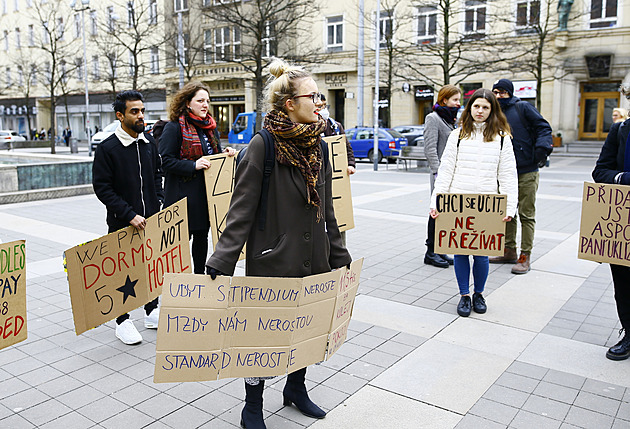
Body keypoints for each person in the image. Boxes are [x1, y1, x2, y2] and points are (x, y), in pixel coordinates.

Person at [206, 58, 351, 429]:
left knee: (306, 330)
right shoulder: (263, 145)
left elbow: (327, 207)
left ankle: (296, 389)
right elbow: (240, 210)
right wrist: (222, 259)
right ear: (290, 103)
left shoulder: (317, 145)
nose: (320, 103)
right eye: (314, 96)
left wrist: (338, 252)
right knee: (262, 336)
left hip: (313, 257)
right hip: (273, 259)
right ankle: (252, 405)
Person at [429, 88, 517, 317]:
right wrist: (437, 200)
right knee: (460, 252)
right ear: (470, 108)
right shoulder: (456, 136)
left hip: (487, 202)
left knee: (481, 254)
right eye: (476, 106)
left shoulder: (502, 139)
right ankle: (464, 295)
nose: (480, 111)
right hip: (459, 200)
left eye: (486, 107)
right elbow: (446, 170)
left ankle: (479, 293)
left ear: (492, 110)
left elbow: (508, 175)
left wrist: (509, 207)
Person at [92, 90, 163, 345]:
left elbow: (157, 174)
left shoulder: (149, 143)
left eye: (142, 110)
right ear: (120, 115)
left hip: (150, 220)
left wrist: (160, 200)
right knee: (123, 273)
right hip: (123, 223)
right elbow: (103, 188)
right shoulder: (108, 149)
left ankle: (151, 309)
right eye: (135, 111)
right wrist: (128, 214)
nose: (141, 115)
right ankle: (122, 321)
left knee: (149, 265)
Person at [159, 81, 236, 274]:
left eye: (207, 101)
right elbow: (165, 161)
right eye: (200, 100)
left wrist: (225, 154)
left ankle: (199, 280)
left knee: (201, 241)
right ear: (187, 103)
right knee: (180, 246)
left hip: (203, 198)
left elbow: (214, 156)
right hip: (181, 199)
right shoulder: (174, 128)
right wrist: (193, 165)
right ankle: (180, 285)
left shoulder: (210, 128)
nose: (205, 105)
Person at [489, 78, 552, 274]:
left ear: (510, 92)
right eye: (496, 92)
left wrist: (541, 150)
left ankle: (525, 256)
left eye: (502, 92)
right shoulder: (493, 113)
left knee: (526, 215)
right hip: (504, 172)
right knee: (506, 213)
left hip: (526, 170)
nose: (499, 96)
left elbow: (543, 127)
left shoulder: (522, 107)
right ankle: (509, 251)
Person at [592, 84, 630, 360]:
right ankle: (629, 332)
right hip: (622, 221)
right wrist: (623, 179)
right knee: (624, 283)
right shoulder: (620, 130)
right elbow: (600, 170)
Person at [423, 84, 461, 268]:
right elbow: (430, 148)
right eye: (455, 100)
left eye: (459, 100)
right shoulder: (433, 118)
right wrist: (438, 172)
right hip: (440, 174)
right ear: (444, 100)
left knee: (445, 211)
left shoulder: (449, 120)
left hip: (451, 174)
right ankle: (431, 252)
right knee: (436, 211)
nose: (458, 103)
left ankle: (440, 249)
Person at [318, 94, 356, 176]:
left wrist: (351, 164)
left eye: (325, 105)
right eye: (321, 106)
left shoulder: (335, 126)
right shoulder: (308, 127)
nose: (324, 109)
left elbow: (346, 147)